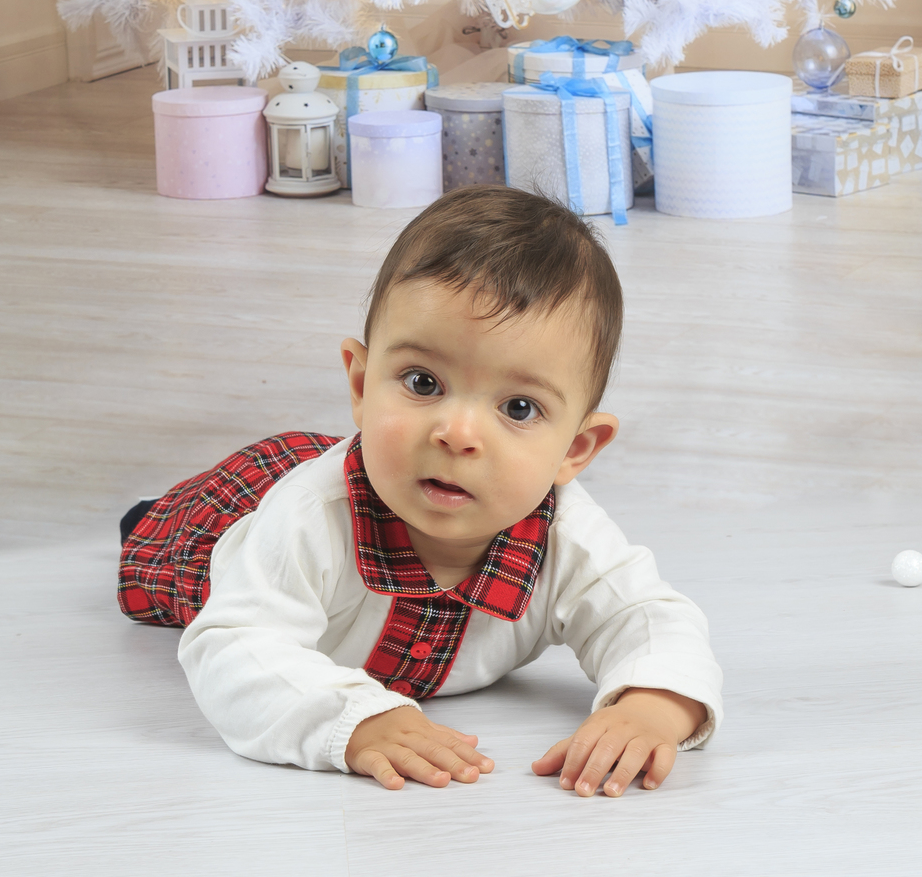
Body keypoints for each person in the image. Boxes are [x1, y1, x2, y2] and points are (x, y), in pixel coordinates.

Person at [119, 186, 722, 797]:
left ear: (574, 449)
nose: (457, 433)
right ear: (361, 382)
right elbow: (233, 648)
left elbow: (646, 617)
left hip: (378, 466)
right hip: (237, 508)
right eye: (422, 382)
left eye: (519, 407)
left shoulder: (567, 537)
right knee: (169, 541)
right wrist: (355, 721)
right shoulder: (307, 519)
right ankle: (149, 518)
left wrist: (652, 705)